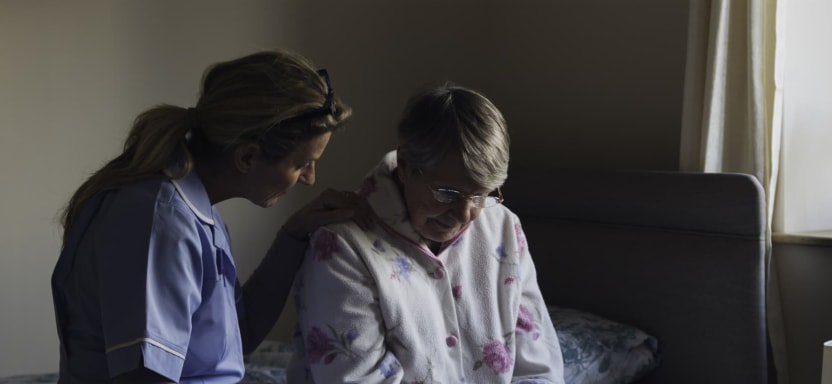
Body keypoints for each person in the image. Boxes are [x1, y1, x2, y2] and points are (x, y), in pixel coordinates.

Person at [51, 50, 372, 384]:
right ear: (248, 157)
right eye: (302, 164)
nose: (310, 178)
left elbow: (238, 334)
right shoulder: (160, 221)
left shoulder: (195, 209)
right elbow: (143, 377)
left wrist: (293, 235)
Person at [287, 83, 564, 383]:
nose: (465, 214)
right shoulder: (343, 246)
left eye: (481, 196)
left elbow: (538, 369)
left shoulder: (504, 227)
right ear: (405, 165)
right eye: (448, 194)